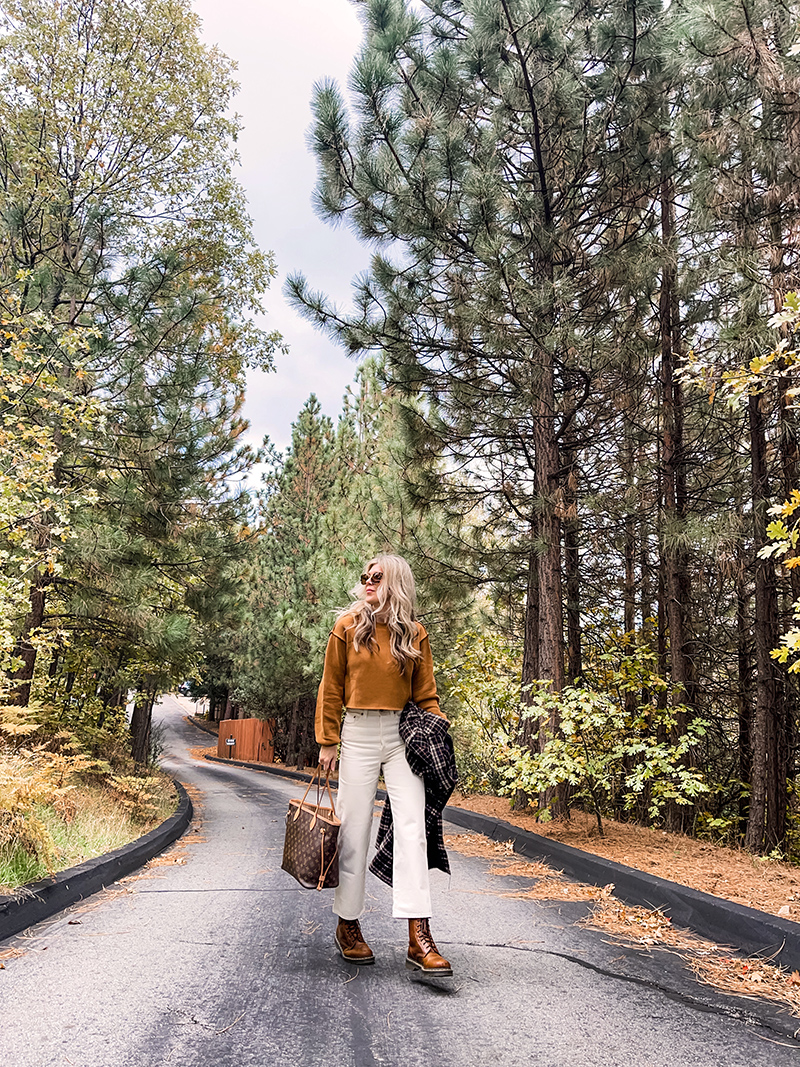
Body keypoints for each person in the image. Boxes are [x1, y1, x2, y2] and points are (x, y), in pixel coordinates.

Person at [316, 554, 454, 976]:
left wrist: (439, 732)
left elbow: (426, 695)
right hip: (356, 733)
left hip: (401, 737)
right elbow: (331, 686)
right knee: (354, 828)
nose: (368, 582)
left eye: (377, 577)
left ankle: (419, 935)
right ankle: (348, 924)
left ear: (395, 582)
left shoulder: (414, 634)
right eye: (365, 577)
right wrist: (327, 741)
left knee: (412, 829)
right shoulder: (347, 627)